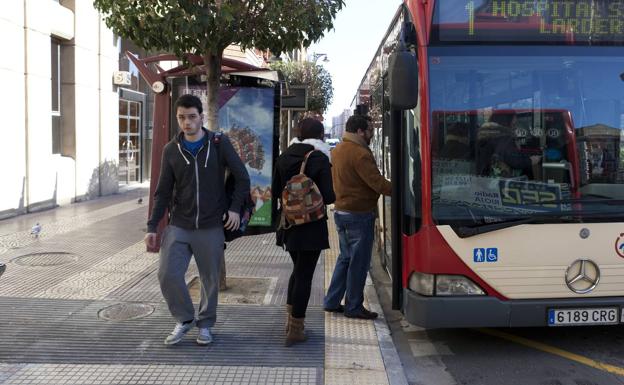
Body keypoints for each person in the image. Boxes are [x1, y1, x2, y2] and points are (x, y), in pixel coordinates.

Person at [145, 94, 250, 346]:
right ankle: (184, 319)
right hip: (179, 224)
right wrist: (152, 226)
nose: (186, 123)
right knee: (167, 274)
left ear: (201, 117)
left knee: (210, 279)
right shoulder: (171, 150)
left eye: (192, 117)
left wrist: (234, 209)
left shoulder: (218, 143)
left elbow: (243, 178)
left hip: (211, 225)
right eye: (181, 117)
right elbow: (162, 191)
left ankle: (205, 324)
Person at [272, 118, 335, 347]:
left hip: (289, 225)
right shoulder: (318, 158)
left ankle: (290, 322)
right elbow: (329, 196)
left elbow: (277, 191)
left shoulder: (284, 156)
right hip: (311, 227)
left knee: (297, 271)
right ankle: (296, 329)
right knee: (304, 276)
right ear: (320, 136)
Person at [323, 114, 391, 320]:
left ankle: (332, 301)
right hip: (359, 215)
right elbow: (377, 183)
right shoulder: (360, 153)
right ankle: (353, 306)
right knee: (359, 263)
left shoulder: (338, 150)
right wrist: (405, 189)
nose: (371, 134)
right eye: (370, 130)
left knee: (345, 259)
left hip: (342, 211)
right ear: (360, 131)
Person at [476, 113, 541, 178]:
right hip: (502, 181)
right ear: (506, 122)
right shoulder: (505, 138)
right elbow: (514, 160)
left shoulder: (485, 136)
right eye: (513, 124)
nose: (515, 127)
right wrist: (530, 161)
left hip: (485, 178)